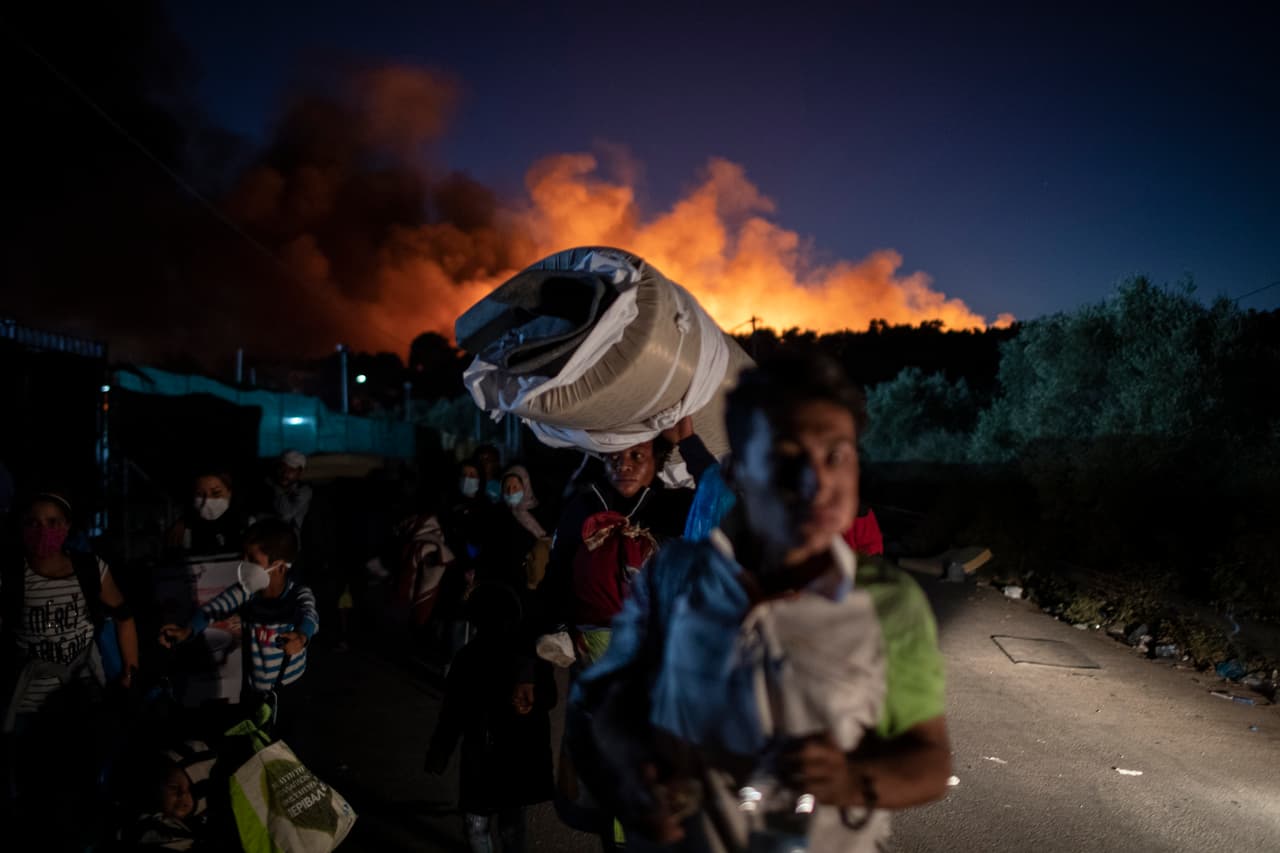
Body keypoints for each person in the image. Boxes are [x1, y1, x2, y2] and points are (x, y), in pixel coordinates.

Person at [567, 352, 952, 853]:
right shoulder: (674, 576)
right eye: (786, 460)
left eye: (837, 455)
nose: (817, 484)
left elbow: (930, 762)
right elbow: (603, 703)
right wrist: (638, 776)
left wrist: (850, 780)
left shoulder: (888, 603)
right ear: (737, 474)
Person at [1, 491, 140, 844]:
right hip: (28, 706)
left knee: (84, 789)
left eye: (52, 522)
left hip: (83, 697)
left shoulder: (90, 569)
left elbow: (124, 616)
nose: (42, 530)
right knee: (37, 796)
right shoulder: (10, 574)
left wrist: (130, 672)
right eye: (33, 522)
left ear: (67, 526)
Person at [158, 518, 317, 746]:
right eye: (243, 556)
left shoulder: (297, 594)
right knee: (253, 749)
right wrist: (187, 631)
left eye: (252, 559)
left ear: (280, 566)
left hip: (289, 691)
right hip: (252, 691)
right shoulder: (246, 593)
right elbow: (212, 610)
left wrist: (302, 637)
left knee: (289, 749)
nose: (244, 563)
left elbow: (310, 615)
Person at [424, 581, 555, 853]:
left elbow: (452, 713)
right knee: (506, 823)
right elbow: (454, 710)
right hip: (503, 758)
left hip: (488, 757)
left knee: (480, 823)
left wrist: (440, 750)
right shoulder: (524, 659)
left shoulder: (474, 657)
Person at [119, 740, 218, 851]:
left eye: (194, 791)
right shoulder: (137, 819)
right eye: (174, 787)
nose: (183, 795)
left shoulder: (202, 829)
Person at [166, 470, 245, 556]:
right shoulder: (185, 529)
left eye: (216, 493)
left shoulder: (245, 522)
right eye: (199, 494)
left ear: (229, 493)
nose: (207, 500)